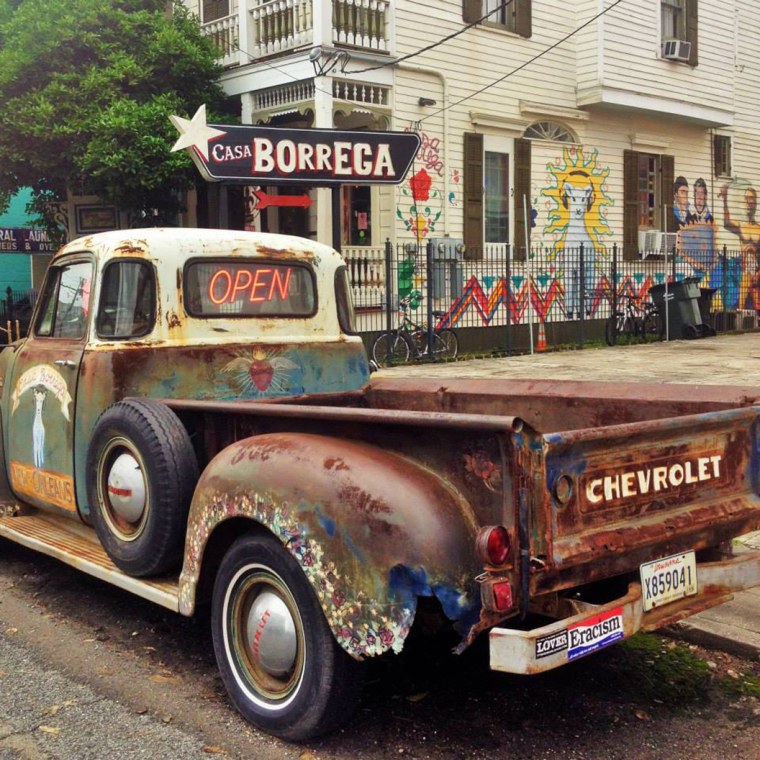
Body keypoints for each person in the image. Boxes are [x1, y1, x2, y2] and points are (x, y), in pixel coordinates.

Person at [719, 184, 760, 309]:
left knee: (757, 304)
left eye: (752, 198)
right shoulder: (741, 226)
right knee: (741, 303)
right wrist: (725, 198)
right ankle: (740, 324)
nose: (749, 201)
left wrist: (758, 273)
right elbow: (726, 223)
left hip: (757, 271)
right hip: (745, 270)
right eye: (747, 198)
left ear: (756, 203)